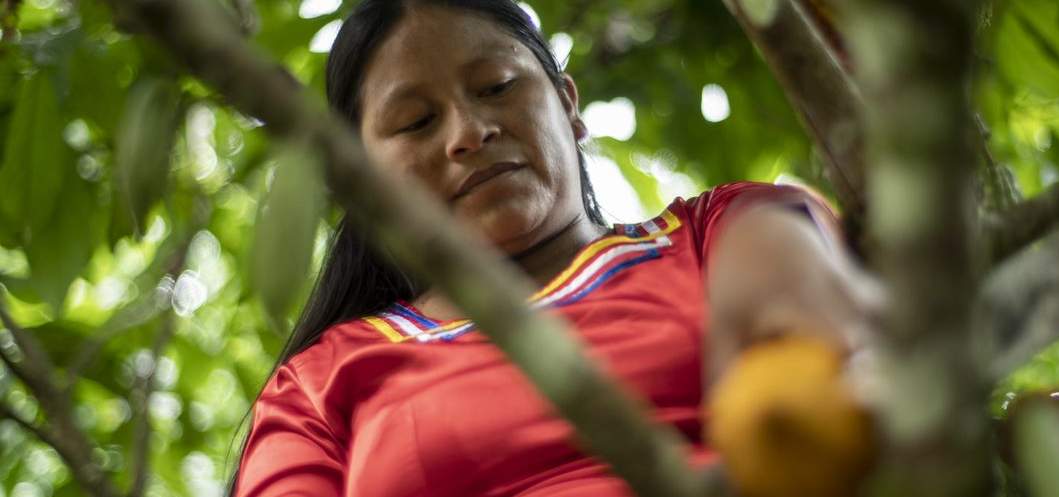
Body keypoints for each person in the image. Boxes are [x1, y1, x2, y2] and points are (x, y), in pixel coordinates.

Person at [230, 1, 874, 495]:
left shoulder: (722, 228)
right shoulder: (315, 388)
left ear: (569, 105)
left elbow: (817, 378)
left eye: (497, 86)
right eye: (416, 123)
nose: (470, 132)